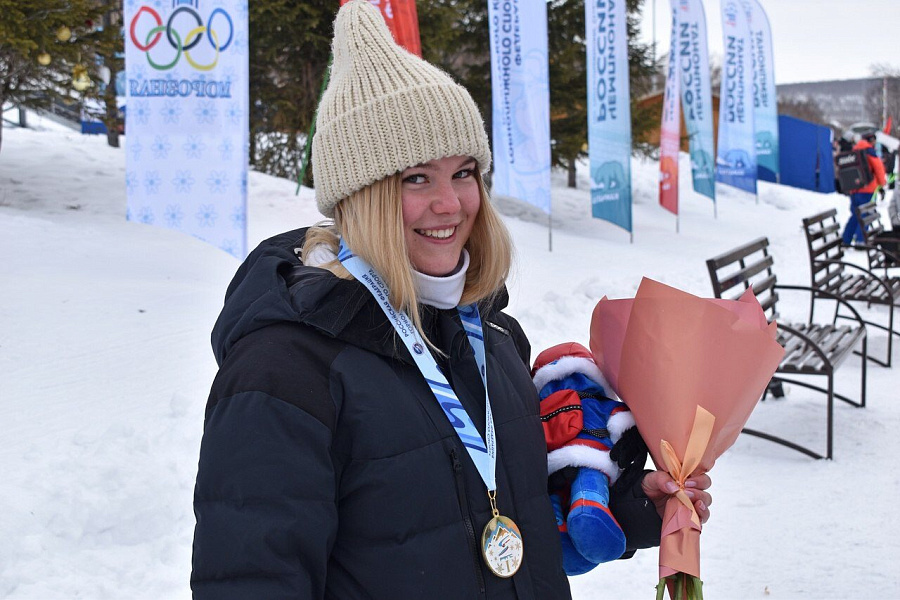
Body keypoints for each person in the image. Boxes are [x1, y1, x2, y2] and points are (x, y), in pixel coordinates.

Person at [190, 2, 712, 598]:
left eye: (464, 172)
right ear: (360, 196)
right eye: (416, 178)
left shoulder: (492, 338)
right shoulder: (283, 372)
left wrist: (632, 509)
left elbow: (502, 527)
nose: (451, 203)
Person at [842, 130, 887, 246]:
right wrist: (882, 183)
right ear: (871, 140)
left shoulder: (855, 150)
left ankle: (846, 239)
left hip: (854, 189)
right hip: (868, 189)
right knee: (865, 215)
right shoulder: (869, 151)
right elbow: (879, 168)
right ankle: (861, 241)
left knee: (855, 214)